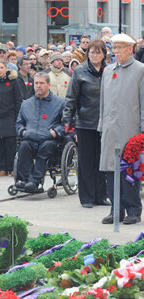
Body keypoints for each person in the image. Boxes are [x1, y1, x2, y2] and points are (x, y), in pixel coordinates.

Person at [98, 33, 144, 225]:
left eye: (120, 48)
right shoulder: (108, 71)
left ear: (130, 49)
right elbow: (102, 102)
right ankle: (115, 209)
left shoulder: (140, 70)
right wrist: (101, 125)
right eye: (114, 48)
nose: (116, 51)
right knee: (110, 171)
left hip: (130, 129)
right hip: (110, 129)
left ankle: (133, 209)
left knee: (129, 171)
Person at [62, 40, 109, 209]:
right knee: (86, 162)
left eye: (98, 52)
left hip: (105, 123)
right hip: (85, 123)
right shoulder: (79, 71)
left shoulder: (109, 71)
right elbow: (71, 98)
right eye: (91, 52)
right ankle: (87, 197)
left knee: (101, 162)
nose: (94, 55)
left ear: (104, 54)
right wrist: (67, 120)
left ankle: (101, 196)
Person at [15, 72, 65, 192]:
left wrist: (56, 132)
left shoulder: (60, 102)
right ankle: (24, 180)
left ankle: (35, 181)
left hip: (50, 139)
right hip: (31, 137)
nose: (38, 86)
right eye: (36, 83)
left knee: (46, 147)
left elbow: (67, 123)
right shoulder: (26, 104)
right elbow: (19, 123)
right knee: (24, 146)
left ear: (48, 84)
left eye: (41, 83)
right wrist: (22, 132)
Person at [0, 60, 23, 176]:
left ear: (6, 68)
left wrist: (18, 116)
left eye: (1, 67)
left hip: (10, 115)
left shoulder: (14, 81)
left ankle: (12, 168)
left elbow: (18, 99)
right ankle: (2, 168)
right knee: (0, 143)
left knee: (10, 143)